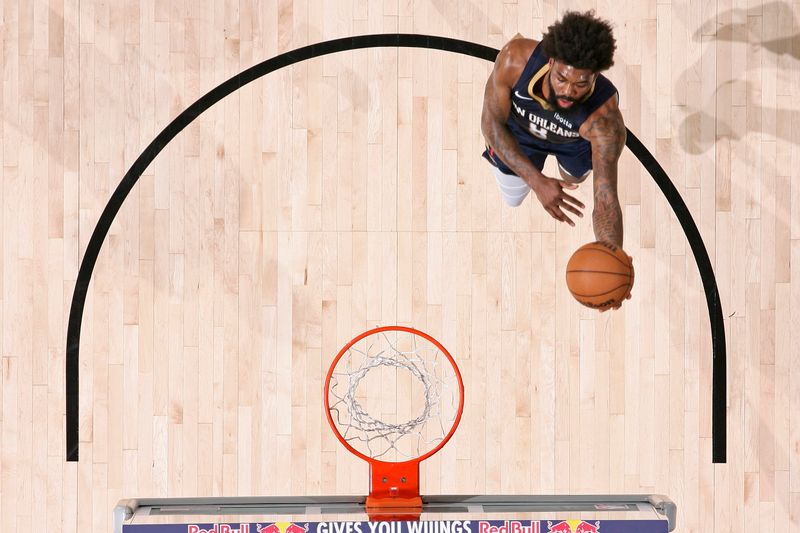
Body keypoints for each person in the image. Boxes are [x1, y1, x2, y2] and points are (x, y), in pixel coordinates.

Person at [481, 11, 626, 250]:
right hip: (520, 135)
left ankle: (563, 166)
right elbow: (490, 124)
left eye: (580, 84)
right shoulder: (514, 60)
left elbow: (605, 199)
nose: (568, 91)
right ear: (550, 62)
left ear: (595, 76)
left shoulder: (604, 120)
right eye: (561, 78)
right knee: (512, 198)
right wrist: (537, 181)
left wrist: (614, 257)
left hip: (573, 144)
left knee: (573, 179)